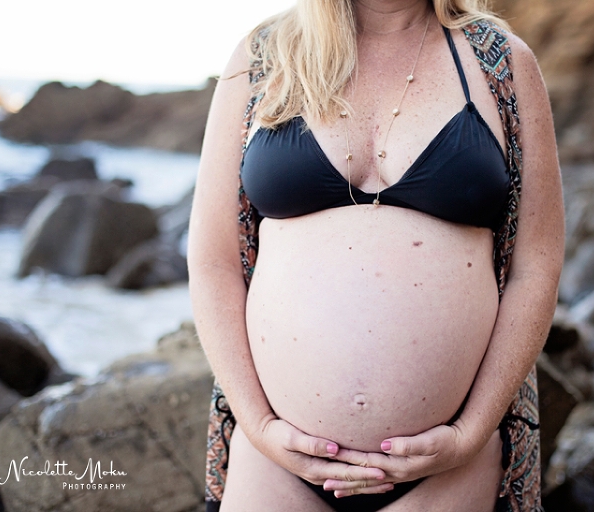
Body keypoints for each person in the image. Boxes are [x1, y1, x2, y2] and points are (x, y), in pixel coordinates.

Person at [188, 0, 564, 510]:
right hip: (277, 463)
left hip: (449, 467)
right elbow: (214, 262)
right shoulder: (262, 56)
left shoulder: (501, 62)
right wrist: (257, 426)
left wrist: (470, 433)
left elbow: (535, 266)